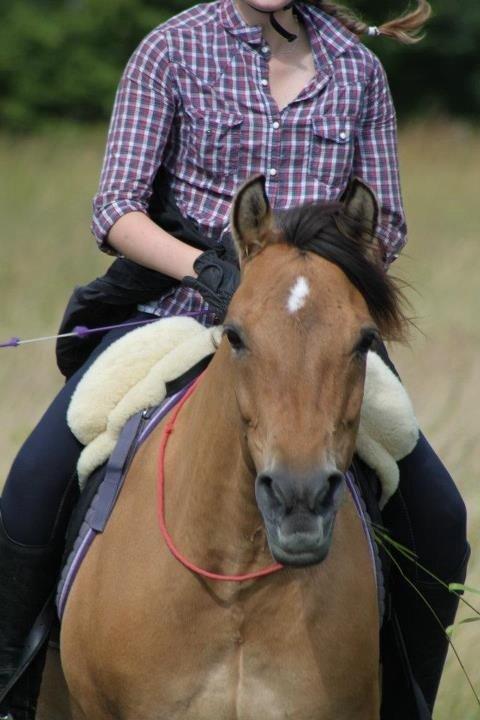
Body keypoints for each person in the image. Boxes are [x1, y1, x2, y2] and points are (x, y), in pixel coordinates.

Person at [0, 0, 469, 718]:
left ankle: (405, 703)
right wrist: (206, 269)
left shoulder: (358, 72)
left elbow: (388, 225)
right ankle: (15, 691)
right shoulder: (171, 49)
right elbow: (117, 209)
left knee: (439, 517)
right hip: (182, 318)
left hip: (314, 337)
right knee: (32, 486)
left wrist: (313, 286)